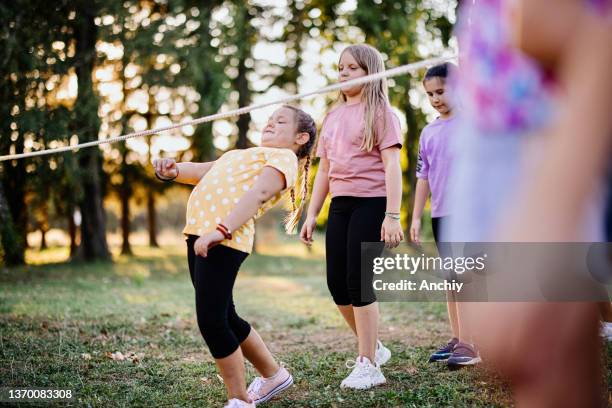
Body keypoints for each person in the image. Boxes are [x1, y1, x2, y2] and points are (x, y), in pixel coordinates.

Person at [154, 105, 316, 408]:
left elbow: (259, 194)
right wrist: (173, 171)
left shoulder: (283, 157)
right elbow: (201, 171)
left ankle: (240, 400)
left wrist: (221, 230)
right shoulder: (240, 155)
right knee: (225, 314)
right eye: (269, 120)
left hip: (223, 238)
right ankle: (273, 375)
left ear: (300, 137)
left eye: (280, 121)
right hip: (200, 235)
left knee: (212, 321)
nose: (270, 124)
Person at [300, 44, 404, 390]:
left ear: (371, 72)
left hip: (372, 203)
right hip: (341, 205)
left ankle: (369, 363)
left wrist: (392, 215)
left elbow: (392, 166)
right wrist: (311, 213)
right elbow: (325, 170)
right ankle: (373, 346)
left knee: (359, 281)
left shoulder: (382, 113)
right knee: (336, 284)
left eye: (352, 68)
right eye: (340, 68)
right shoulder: (331, 116)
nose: (343, 73)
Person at [410, 62, 478, 366]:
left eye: (441, 91)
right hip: (441, 216)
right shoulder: (428, 132)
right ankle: (457, 337)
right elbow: (423, 176)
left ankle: (471, 343)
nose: (435, 98)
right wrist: (414, 217)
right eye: (429, 94)